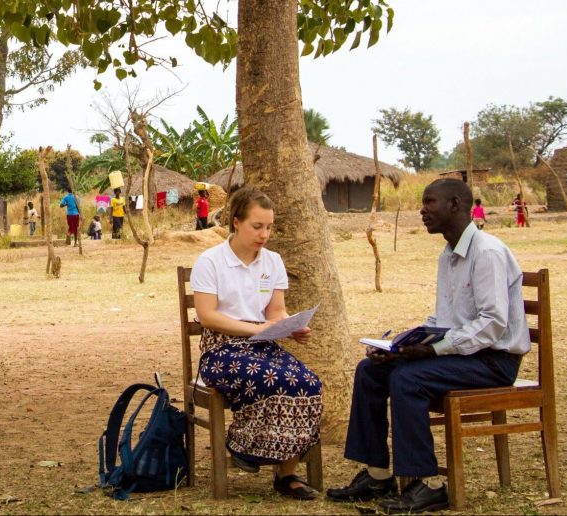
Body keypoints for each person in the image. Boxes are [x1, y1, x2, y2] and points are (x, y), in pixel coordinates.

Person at [326, 179, 530, 513]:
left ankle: (428, 484)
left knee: (409, 380)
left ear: (454, 205)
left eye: (428, 202)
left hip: (494, 361)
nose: (422, 210)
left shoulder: (488, 253)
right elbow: (444, 317)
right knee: (371, 370)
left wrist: (434, 350)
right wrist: (401, 346)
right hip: (463, 354)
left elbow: (493, 324)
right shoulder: (448, 255)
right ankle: (379, 474)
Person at [190, 187, 322, 500]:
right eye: (257, 226)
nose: (264, 234)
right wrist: (255, 329)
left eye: (269, 227)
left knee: (308, 383)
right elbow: (208, 317)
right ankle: (244, 447)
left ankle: (286, 474)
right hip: (221, 350)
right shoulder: (210, 262)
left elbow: (276, 312)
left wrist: (292, 327)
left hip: (263, 345)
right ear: (236, 222)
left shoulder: (272, 261)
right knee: (274, 380)